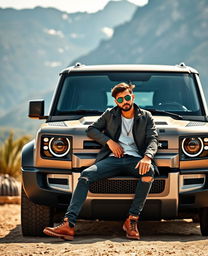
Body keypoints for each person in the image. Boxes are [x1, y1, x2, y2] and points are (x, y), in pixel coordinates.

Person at [43, 82, 159, 240]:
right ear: (116, 102)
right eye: (120, 99)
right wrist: (109, 142)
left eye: (127, 97)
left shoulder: (146, 116)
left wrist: (147, 157)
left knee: (149, 172)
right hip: (113, 160)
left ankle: (131, 220)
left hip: (135, 160)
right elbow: (91, 129)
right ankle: (68, 224)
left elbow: (153, 138)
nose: (124, 102)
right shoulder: (110, 114)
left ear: (132, 97)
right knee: (85, 175)